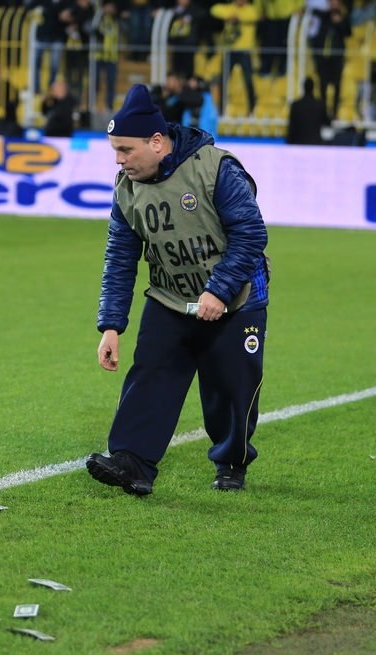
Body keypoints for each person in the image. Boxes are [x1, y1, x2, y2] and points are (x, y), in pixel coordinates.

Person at [86, 83, 271, 496]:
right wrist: (110, 325)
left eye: (126, 150)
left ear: (157, 142)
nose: (119, 160)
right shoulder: (126, 189)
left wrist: (219, 291)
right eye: (114, 150)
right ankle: (132, 463)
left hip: (238, 301)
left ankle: (231, 462)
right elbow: (119, 258)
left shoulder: (216, 169)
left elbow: (250, 234)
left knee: (230, 390)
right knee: (151, 373)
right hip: (170, 298)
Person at [211, 0, 259, 115]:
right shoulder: (230, 8)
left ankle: (252, 109)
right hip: (229, 51)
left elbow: (254, 16)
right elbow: (214, 9)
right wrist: (229, 16)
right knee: (224, 80)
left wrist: (237, 17)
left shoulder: (251, 9)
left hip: (244, 51)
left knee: (248, 80)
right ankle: (221, 109)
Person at [286, 75, 328, 144]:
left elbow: (291, 128)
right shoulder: (319, 105)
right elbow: (327, 122)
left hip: (299, 144)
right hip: (315, 144)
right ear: (313, 88)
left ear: (303, 87)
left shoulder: (296, 105)